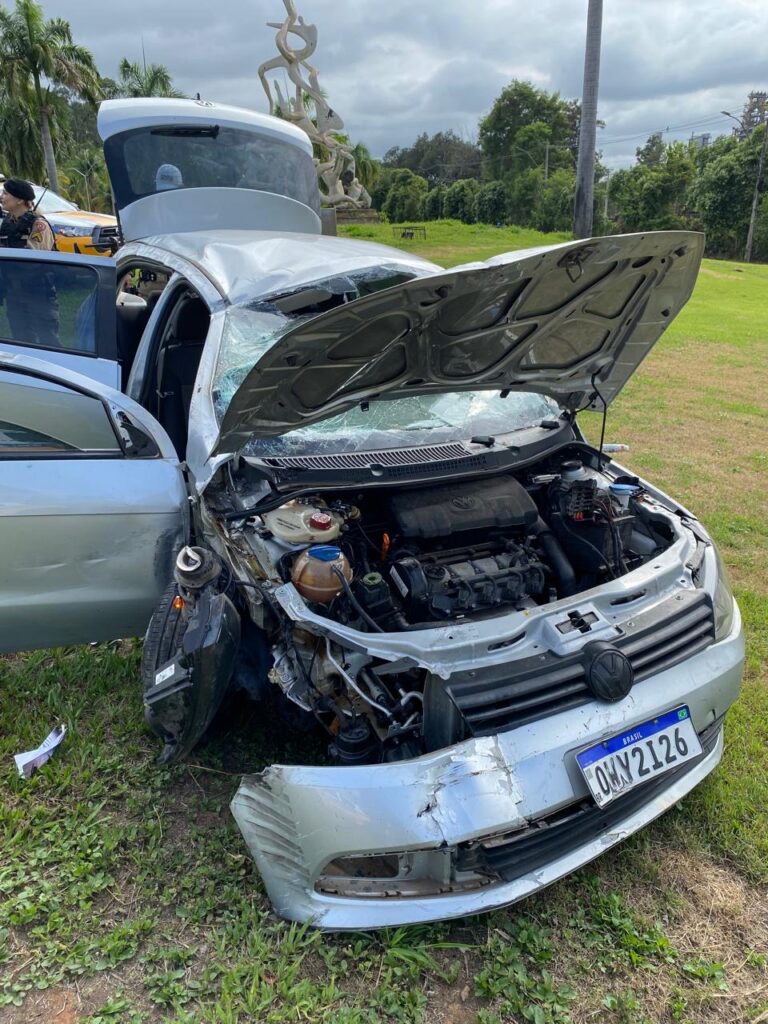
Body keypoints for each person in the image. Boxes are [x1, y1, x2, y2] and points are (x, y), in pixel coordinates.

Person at [0, 178, 59, 346]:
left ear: (20, 200)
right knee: (22, 341)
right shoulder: (8, 224)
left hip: (38, 293)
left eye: (6, 193)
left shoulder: (38, 225)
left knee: (49, 342)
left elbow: (34, 259)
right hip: (14, 293)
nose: (2, 196)